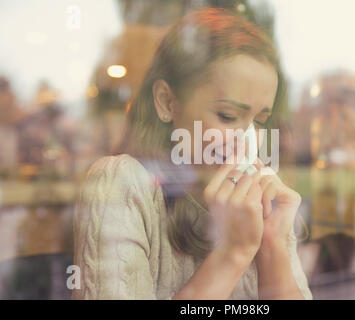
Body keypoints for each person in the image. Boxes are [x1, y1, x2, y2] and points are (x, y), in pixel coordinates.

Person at [72, 8, 312, 300]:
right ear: (167, 102)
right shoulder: (123, 184)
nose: (247, 143)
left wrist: (272, 248)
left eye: (260, 121)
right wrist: (232, 254)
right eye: (227, 115)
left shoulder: (261, 204)